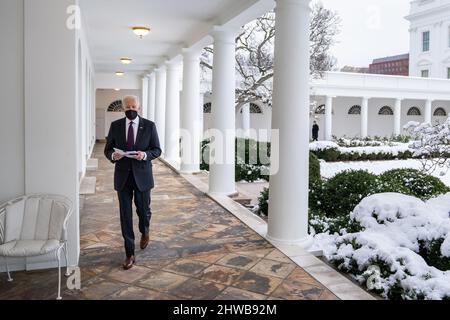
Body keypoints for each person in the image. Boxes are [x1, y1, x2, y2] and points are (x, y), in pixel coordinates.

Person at [104, 95, 161, 270]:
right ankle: (129, 253)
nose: (131, 109)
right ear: (123, 108)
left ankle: (145, 231)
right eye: (128, 107)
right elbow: (108, 149)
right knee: (125, 216)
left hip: (143, 176)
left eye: (134, 106)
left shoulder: (149, 126)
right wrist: (114, 155)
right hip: (123, 177)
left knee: (143, 211)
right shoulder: (115, 126)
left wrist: (144, 155)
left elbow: (157, 150)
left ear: (139, 107)